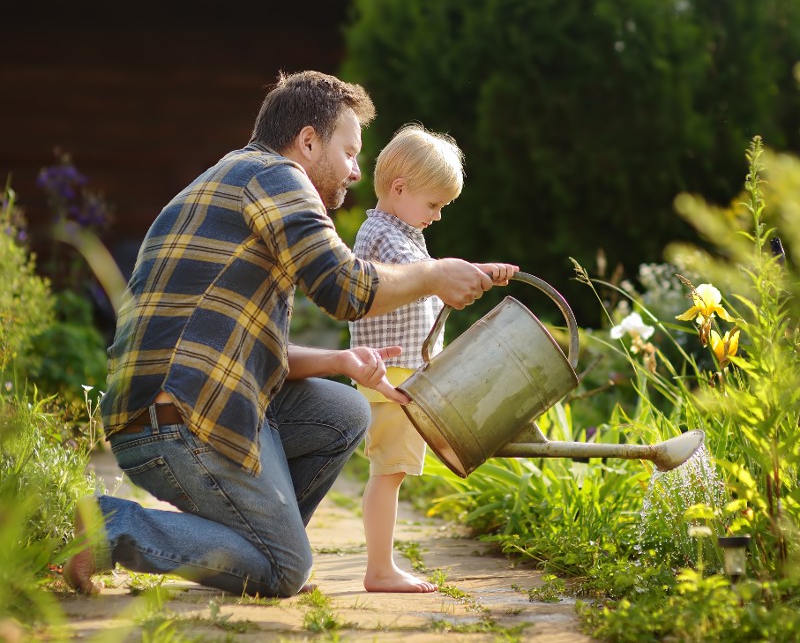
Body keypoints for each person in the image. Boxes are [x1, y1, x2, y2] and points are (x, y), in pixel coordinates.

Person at [63, 70, 517, 598]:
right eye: (349, 153)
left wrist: (342, 363)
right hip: (176, 422)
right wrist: (435, 275)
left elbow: (249, 349)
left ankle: (252, 547)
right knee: (285, 571)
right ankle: (110, 526)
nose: (354, 171)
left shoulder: (231, 178)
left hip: (182, 407)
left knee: (345, 410)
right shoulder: (279, 177)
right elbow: (343, 288)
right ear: (307, 141)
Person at [349, 124, 515, 593]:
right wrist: (464, 273)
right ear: (399, 189)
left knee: (393, 470)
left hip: (402, 372)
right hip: (394, 375)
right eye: (434, 205)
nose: (438, 216)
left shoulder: (397, 231)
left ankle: (382, 564)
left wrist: (477, 273)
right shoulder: (383, 236)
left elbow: (431, 282)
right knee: (389, 472)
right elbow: (424, 279)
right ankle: (379, 569)